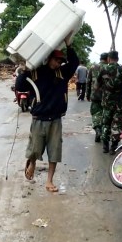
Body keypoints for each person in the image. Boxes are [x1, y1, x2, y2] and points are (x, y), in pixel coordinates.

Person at [24, 33, 79, 193]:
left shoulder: (62, 73)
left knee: (54, 151)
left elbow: (74, 62)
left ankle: (49, 181)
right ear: (49, 59)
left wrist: (69, 44)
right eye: (56, 60)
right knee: (35, 149)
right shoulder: (36, 72)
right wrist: (25, 69)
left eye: (60, 61)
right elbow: (21, 85)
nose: (58, 63)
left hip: (55, 119)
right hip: (38, 118)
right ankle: (32, 162)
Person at [97, 50, 122, 154]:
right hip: (119, 103)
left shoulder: (103, 69)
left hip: (106, 102)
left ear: (109, 58)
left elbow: (97, 86)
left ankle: (105, 145)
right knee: (117, 125)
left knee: (105, 123)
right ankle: (113, 147)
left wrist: (102, 94)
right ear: (117, 59)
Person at [86, 53, 108, 143]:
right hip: (106, 96)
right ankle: (104, 132)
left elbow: (88, 81)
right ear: (107, 59)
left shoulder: (92, 67)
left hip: (95, 95)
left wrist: (87, 94)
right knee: (104, 114)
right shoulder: (108, 68)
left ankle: (97, 129)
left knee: (95, 113)